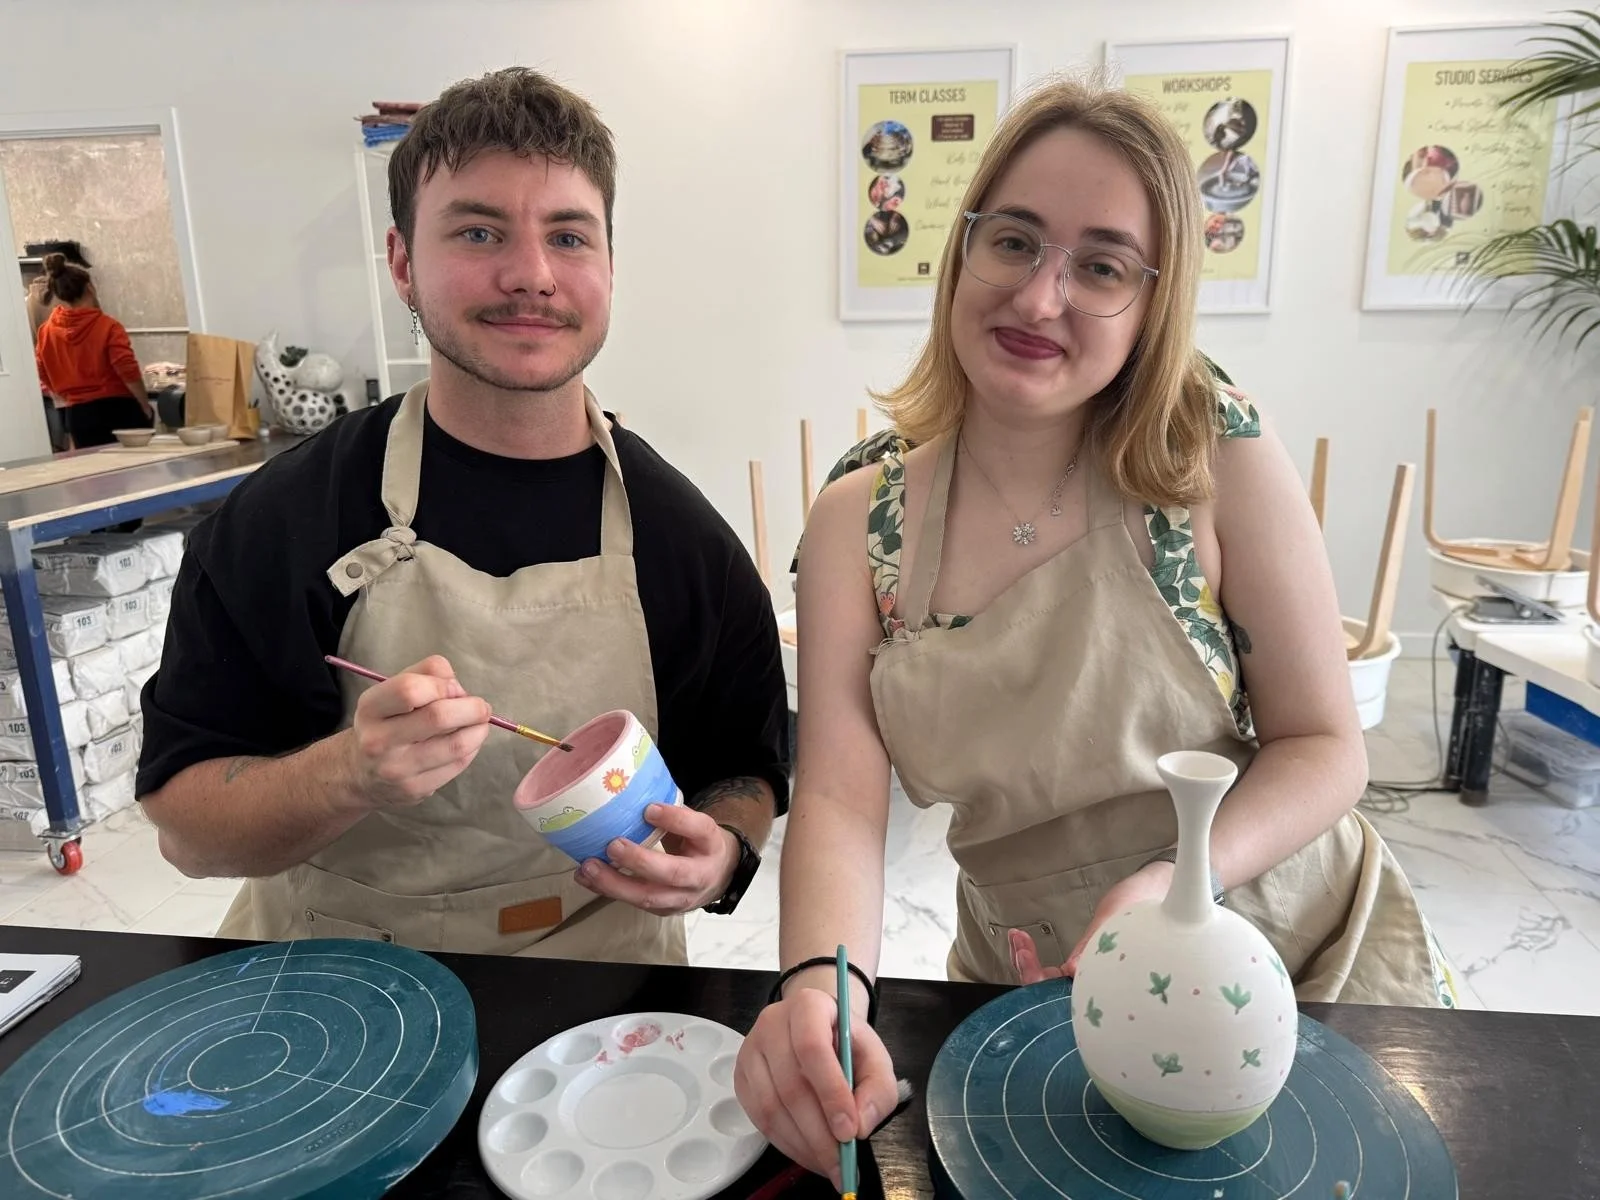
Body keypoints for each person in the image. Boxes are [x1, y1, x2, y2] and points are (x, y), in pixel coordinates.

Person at [734, 76, 1452, 1187]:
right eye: (1013, 241)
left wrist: (1174, 885)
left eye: (1102, 266)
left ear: (1151, 302)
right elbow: (834, 799)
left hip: (1290, 962)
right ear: (959, 250)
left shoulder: (1208, 456)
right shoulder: (854, 521)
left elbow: (1325, 746)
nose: (1039, 297)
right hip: (1035, 995)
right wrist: (821, 993)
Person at [136, 67, 789, 965]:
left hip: (606, 1006)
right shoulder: (285, 518)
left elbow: (741, 772)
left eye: (568, 235)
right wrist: (348, 773)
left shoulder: (685, 541)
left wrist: (722, 857)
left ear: (608, 266)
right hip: (334, 988)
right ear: (403, 263)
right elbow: (189, 833)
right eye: (479, 231)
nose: (531, 275)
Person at [32, 251, 153, 448]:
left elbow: (41, 370)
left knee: (96, 476)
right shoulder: (107, 326)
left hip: (78, 416)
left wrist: (67, 394)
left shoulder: (46, 332)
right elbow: (126, 368)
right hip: (119, 410)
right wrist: (144, 405)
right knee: (135, 474)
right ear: (90, 288)